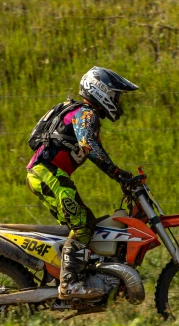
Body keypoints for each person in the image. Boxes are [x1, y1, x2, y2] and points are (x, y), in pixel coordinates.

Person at [26, 66, 138, 299]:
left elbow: (92, 148)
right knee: (82, 225)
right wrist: (118, 174)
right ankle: (70, 284)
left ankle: (75, 273)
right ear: (101, 91)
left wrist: (119, 175)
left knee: (84, 222)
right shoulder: (87, 114)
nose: (118, 102)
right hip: (48, 173)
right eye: (116, 96)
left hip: (48, 174)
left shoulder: (83, 112)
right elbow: (91, 148)